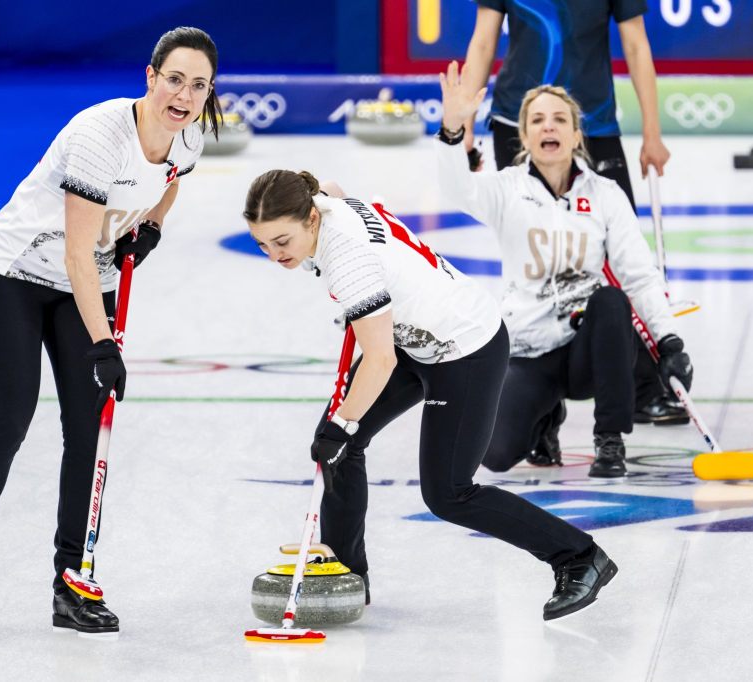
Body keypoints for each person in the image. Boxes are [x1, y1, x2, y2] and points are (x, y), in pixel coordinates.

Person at [0, 26, 221, 642]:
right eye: (174, 79)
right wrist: (103, 344)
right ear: (149, 77)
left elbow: (170, 180)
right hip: (20, 273)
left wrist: (152, 228)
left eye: (199, 85)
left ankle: (71, 586)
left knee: (89, 429)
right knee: (10, 419)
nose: (185, 95)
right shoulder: (96, 138)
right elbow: (78, 255)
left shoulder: (188, 137)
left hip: (88, 277)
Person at [244, 169, 617, 622]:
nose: (274, 255)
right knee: (338, 450)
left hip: (465, 348)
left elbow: (379, 361)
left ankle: (578, 556)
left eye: (282, 242)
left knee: (447, 493)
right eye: (263, 244)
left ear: (309, 219)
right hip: (414, 337)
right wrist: (340, 431)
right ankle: (347, 575)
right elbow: (333, 188)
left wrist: (342, 424)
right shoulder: (323, 203)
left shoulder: (349, 261)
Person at [459, 0, 687, 466]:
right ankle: (542, 398)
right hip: (516, 121)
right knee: (539, 246)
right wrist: (462, 122)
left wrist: (652, 132)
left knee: (618, 266)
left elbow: (636, 45)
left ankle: (643, 389)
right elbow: (484, 40)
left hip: (593, 122)